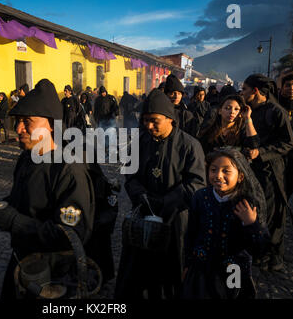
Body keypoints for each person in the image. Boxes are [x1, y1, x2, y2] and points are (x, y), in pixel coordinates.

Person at [0, 79, 95, 299]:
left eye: (27, 121)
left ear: (50, 124)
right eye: (17, 121)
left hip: (53, 274)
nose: (18, 128)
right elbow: (18, 201)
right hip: (22, 259)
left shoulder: (68, 170)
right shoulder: (27, 158)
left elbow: (72, 235)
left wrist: (15, 222)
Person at [115, 88, 206, 299]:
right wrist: (141, 197)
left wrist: (166, 202)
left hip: (175, 221)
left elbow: (197, 183)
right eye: (145, 120)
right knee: (138, 273)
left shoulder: (190, 146)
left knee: (171, 274)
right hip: (143, 215)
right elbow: (130, 174)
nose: (148, 125)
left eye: (154, 121)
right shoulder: (140, 142)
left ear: (169, 119)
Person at [182, 148, 270, 299]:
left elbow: (260, 249)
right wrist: (187, 264)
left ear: (241, 176)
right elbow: (191, 234)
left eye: (226, 171)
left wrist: (252, 223)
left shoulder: (246, 204)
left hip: (233, 271)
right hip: (201, 268)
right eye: (213, 170)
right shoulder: (200, 197)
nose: (218, 176)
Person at [241, 74, 293, 271]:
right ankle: (259, 252)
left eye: (245, 89)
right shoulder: (248, 111)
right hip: (250, 170)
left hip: (271, 171)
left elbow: (288, 142)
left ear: (255, 91)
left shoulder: (276, 111)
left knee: (272, 212)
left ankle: (273, 255)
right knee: (254, 210)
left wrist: (261, 152)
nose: (242, 92)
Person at [93, 86, 119, 154]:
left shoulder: (111, 98)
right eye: (101, 93)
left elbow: (115, 106)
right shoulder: (98, 100)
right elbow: (96, 110)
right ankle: (104, 149)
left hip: (110, 119)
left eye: (104, 92)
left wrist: (116, 114)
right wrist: (95, 119)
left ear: (106, 92)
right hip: (101, 120)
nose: (103, 94)